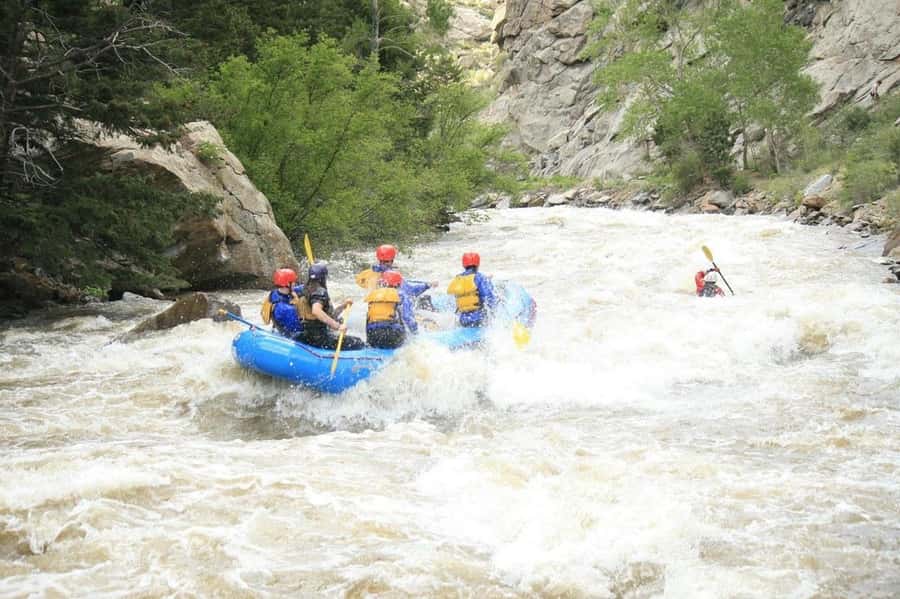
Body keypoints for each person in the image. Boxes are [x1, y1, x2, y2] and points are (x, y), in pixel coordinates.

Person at [298, 262, 366, 350]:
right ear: (323, 277)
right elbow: (316, 311)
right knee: (358, 342)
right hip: (319, 339)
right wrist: (337, 326)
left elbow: (329, 315)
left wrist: (343, 306)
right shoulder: (319, 292)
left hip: (306, 335)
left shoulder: (305, 289)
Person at [356, 244, 437, 298]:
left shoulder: (369, 273)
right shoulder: (392, 275)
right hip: (393, 310)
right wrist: (427, 285)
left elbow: (360, 281)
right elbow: (411, 291)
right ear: (392, 260)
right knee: (425, 299)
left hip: (373, 306)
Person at [364, 270, 418, 349]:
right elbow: (407, 317)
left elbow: (368, 318)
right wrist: (415, 332)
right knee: (407, 336)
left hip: (372, 336)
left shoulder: (374, 294)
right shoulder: (401, 295)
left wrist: (368, 339)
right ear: (398, 284)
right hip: (392, 335)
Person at [446, 252, 497, 327]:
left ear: (463, 265)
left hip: (463, 320)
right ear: (478, 264)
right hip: (479, 319)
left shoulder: (458, 279)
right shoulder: (480, 277)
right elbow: (489, 297)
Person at [261, 268, 304, 339]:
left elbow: (297, 289)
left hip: (282, 325)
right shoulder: (287, 310)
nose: (295, 283)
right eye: (293, 282)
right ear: (287, 284)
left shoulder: (275, 293)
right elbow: (299, 330)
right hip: (291, 335)